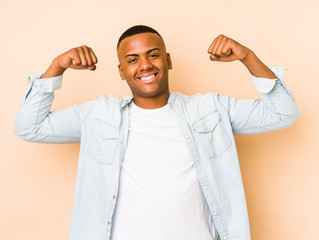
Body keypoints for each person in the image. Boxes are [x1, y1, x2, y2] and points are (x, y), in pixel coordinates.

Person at [13, 25, 300, 240]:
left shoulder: (209, 109)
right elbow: (29, 127)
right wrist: (57, 67)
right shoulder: (97, 115)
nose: (145, 65)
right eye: (133, 59)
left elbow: (283, 114)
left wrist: (248, 57)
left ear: (168, 60)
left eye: (153, 55)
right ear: (122, 71)